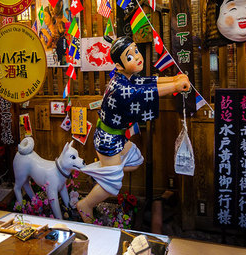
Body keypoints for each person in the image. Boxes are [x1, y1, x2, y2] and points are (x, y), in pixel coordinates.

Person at [77, 36, 190, 223]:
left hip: (116, 137)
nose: (137, 57)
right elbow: (143, 92)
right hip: (108, 139)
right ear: (119, 65)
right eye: (130, 57)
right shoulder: (120, 87)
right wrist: (175, 86)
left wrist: (173, 79)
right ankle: (86, 204)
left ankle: (106, 172)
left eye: (135, 51)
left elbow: (146, 82)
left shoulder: (125, 77)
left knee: (136, 160)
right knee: (113, 185)